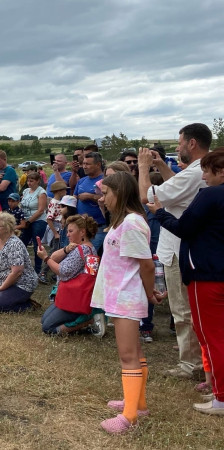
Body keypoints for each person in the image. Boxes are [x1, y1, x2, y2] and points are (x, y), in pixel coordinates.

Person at [147, 147, 224, 415]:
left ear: (221, 172)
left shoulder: (211, 195)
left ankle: (220, 396)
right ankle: (214, 382)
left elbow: (184, 227)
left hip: (206, 273)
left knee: (211, 334)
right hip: (216, 270)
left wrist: (159, 212)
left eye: (207, 171)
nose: (203, 177)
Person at [91, 171, 163, 434]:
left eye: (106, 194)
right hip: (120, 295)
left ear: (119, 193)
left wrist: (150, 292)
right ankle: (137, 403)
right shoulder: (124, 221)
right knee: (135, 352)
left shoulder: (132, 223)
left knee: (128, 356)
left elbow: (146, 264)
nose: (102, 199)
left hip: (126, 297)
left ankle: (129, 417)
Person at [139, 123, 211, 380]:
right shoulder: (199, 171)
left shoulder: (194, 172)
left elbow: (148, 197)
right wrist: (161, 166)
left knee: (182, 310)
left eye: (180, 143)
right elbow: (177, 187)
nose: (178, 148)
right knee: (187, 309)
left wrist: (143, 168)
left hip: (179, 248)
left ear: (192, 143)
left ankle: (192, 365)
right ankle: (199, 361)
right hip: (187, 247)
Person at [37, 214, 99, 334]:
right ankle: (85, 316)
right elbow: (54, 258)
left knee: (48, 328)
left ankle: (87, 321)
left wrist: (45, 258)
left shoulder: (82, 249)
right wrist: (66, 249)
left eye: (70, 231)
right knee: (44, 320)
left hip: (74, 297)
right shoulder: (87, 248)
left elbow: (63, 271)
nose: (67, 235)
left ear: (82, 232)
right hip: (74, 295)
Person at [0, 212, 38, 313]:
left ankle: (29, 305)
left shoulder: (15, 244)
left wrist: (1, 288)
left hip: (20, 283)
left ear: (7, 228)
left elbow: (17, 272)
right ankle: (7, 296)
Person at [75, 152, 106, 251]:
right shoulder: (82, 181)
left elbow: (109, 199)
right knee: (81, 253)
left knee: (89, 254)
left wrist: (90, 196)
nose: (84, 167)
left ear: (98, 164)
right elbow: (74, 198)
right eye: (83, 163)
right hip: (82, 226)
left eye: (88, 164)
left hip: (99, 227)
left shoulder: (105, 180)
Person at [19, 172, 48, 275]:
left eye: (31, 181)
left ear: (38, 181)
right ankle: (21, 266)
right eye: (28, 181)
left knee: (37, 246)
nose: (29, 183)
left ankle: (37, 269)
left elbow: (41, 210)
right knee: (22, 243)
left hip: (38, 220)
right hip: (26, 219)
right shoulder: (26, 191)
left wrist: (29, 221)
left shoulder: (41, 192)